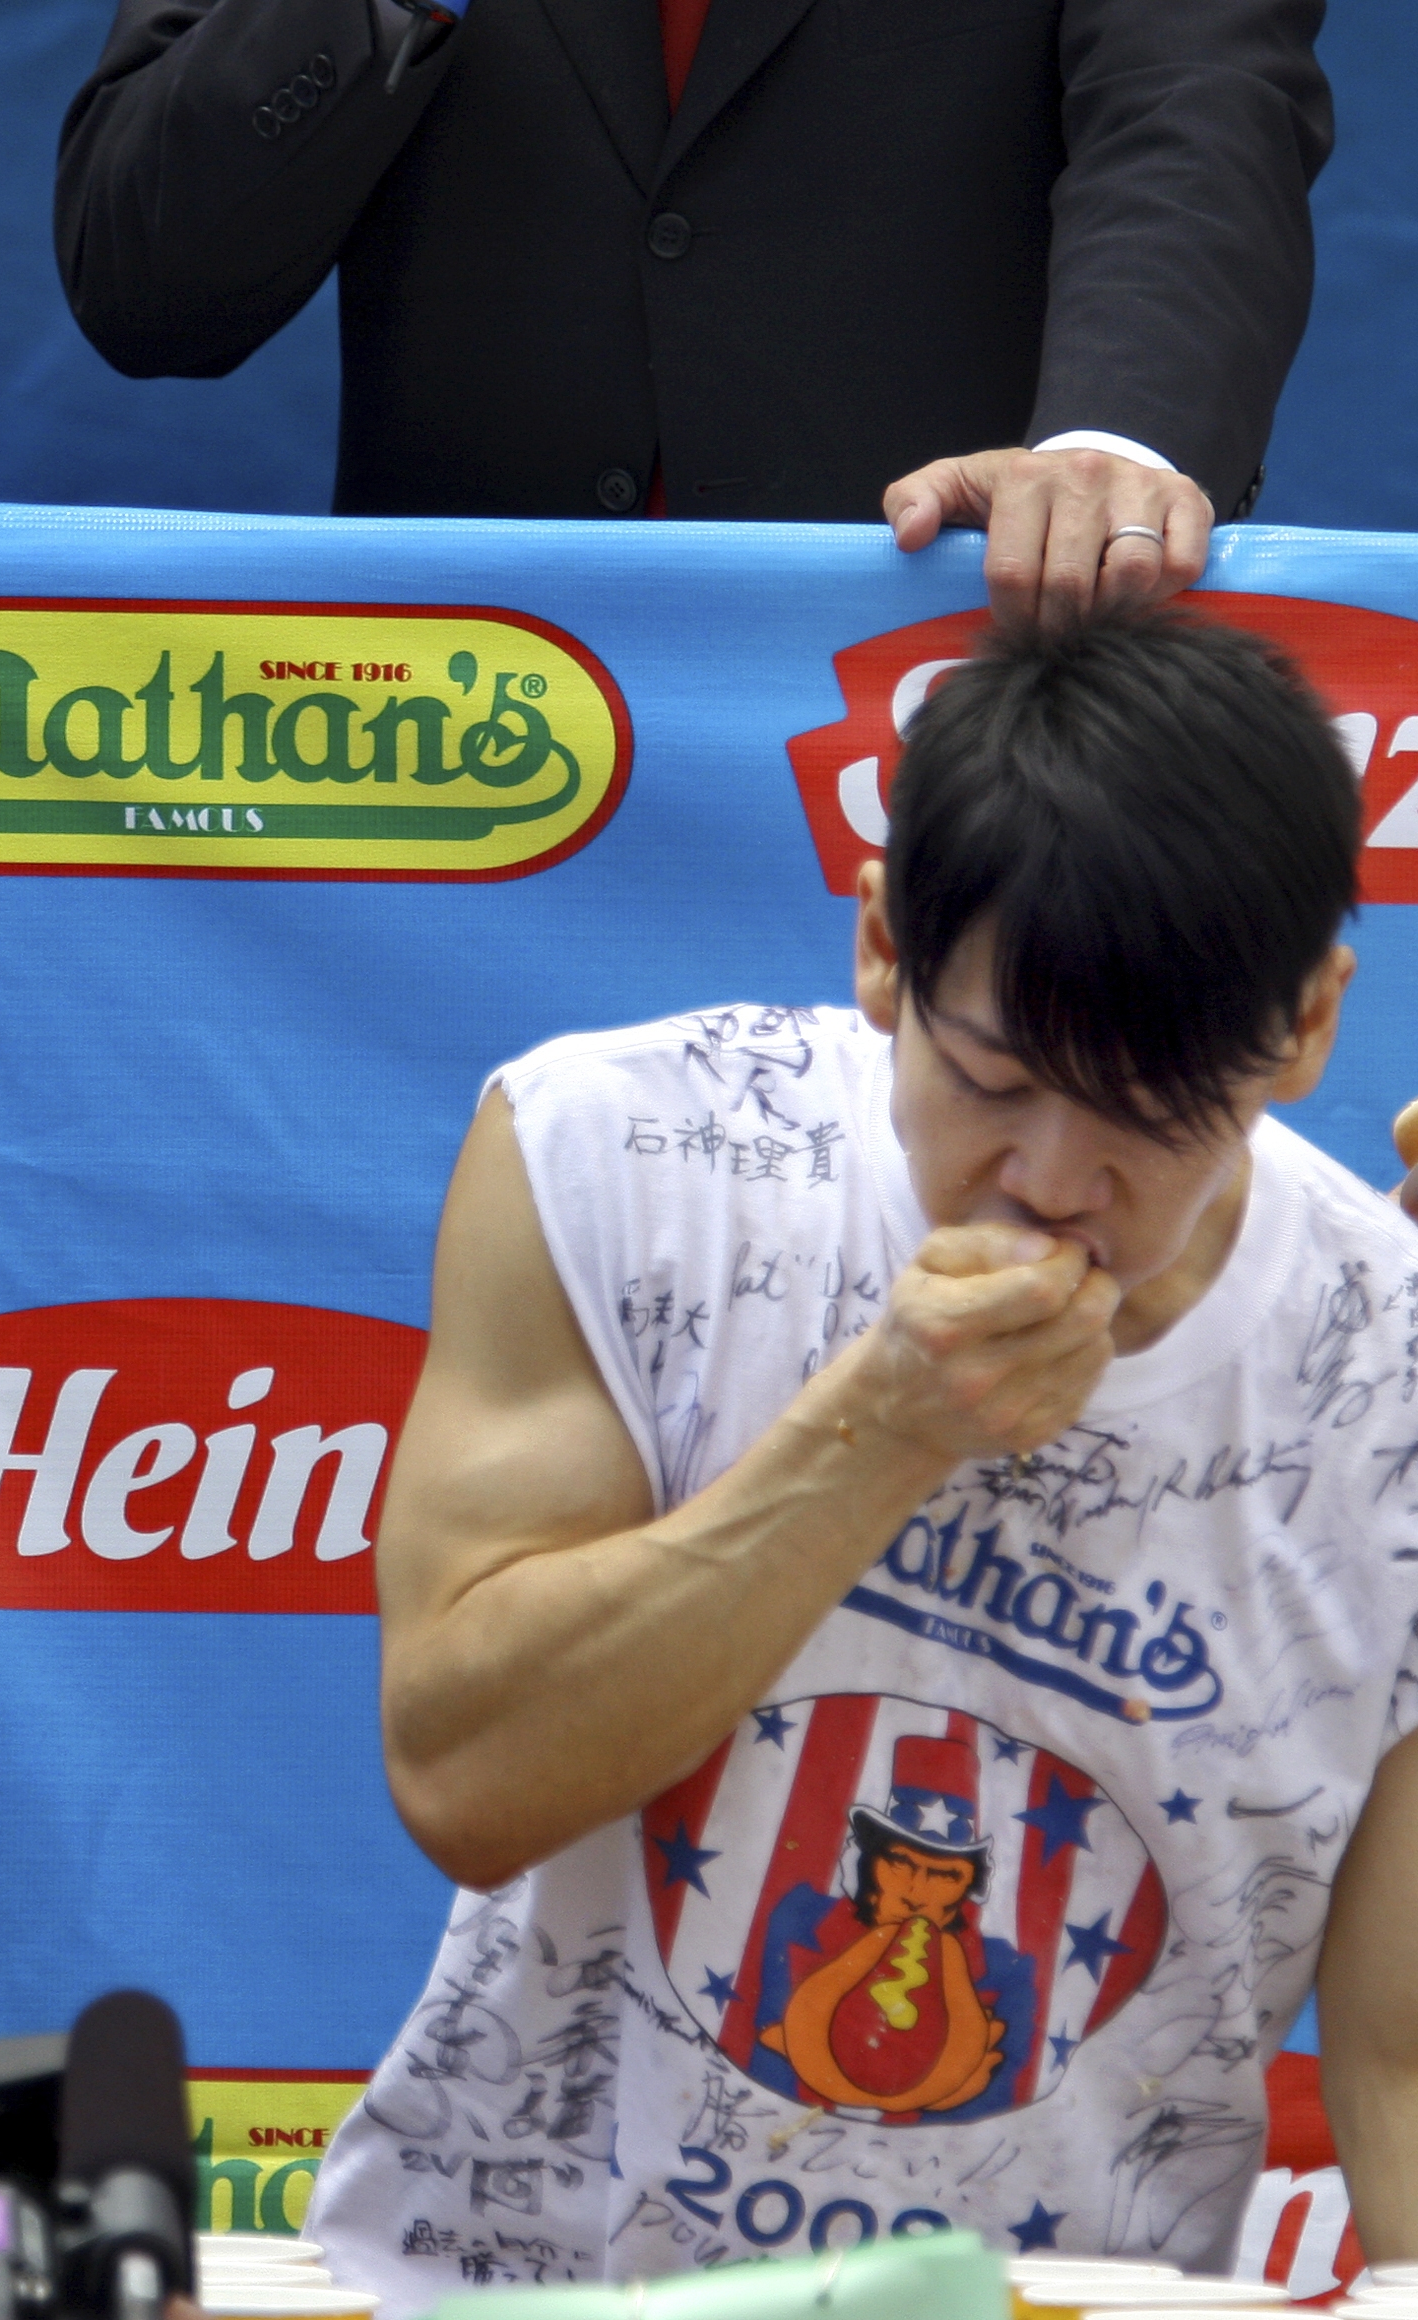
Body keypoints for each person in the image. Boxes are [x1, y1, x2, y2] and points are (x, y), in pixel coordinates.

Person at [306, 612, 1418, 2303]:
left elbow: (1400, 2072)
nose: (1049, 1179)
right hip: (517, 2286)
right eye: (992, 1080)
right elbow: (465, 1779)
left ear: (1307, 1029)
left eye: (1150, 1115)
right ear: (884, 946)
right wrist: (875, 1430)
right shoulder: (622, 1158)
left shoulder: (1388, 1374)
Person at [54, 0, 1330, 626]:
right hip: (457, 748)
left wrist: (1107, 454)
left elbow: (1194, 124)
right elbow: (147, 281)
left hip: (944, 723)